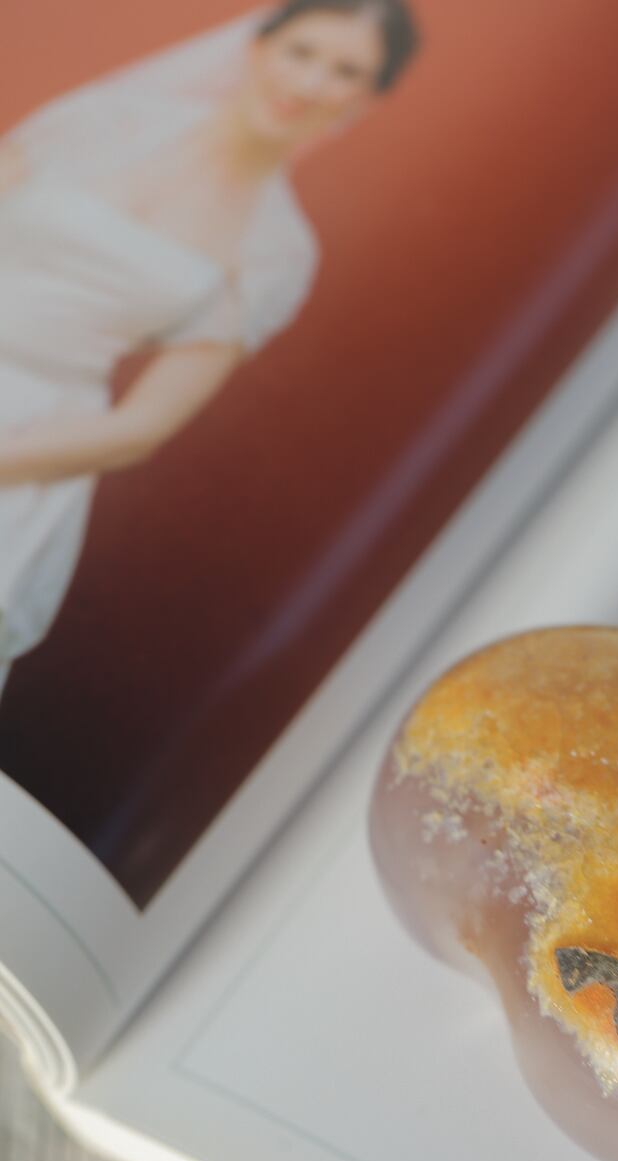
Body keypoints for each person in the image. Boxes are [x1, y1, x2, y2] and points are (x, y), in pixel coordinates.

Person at [0, 0, 419, 700]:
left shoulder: (277, 253)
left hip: (33, 442)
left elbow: (142, 427)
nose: (310, 83)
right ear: (258, 49)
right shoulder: (104, 121)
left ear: (366, 101)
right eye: (302, 53)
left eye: (346, 72)